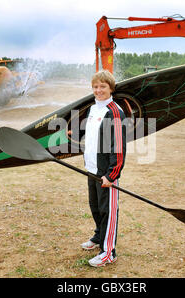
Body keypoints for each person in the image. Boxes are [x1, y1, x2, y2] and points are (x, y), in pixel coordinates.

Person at [80, 70, 126, 267]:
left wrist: (111, 174)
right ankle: (99, 237)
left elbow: (119, 147)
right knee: (95, 207)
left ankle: (109, 252)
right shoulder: (92, 110)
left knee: (108, 211)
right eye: (96, 87)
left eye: (103, 87)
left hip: (107, 174)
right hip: (91, 169)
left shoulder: (114, 112)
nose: (98, 90)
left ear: (111, 88)